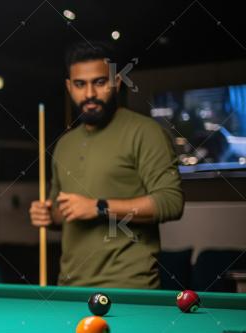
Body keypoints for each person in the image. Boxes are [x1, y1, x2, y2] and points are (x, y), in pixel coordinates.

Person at [29, 42, 184, 289]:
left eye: (99, 82)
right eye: (80, 84)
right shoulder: (64, 144)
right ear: (69, 87)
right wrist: (48, 215)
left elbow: (171, 203)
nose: (89, 93)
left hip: (128, 287)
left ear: (117, 82)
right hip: (69, 288)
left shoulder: (145, 132)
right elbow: (63, 212)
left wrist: (99, 207)